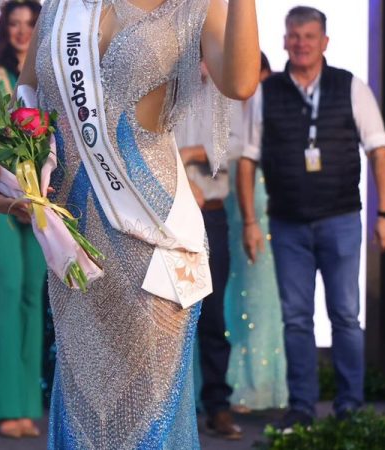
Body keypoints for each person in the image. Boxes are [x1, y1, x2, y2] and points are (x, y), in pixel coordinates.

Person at [0, 0, 261, 447]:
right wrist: (4, 188)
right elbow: (25, 106)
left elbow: (240, 82)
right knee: (84, 419)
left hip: (150, 239)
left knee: (145, 426)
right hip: (75, 248)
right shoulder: (60, 7)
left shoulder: (192, 6)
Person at [236, 6, 385, 429]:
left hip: (340, 220)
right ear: (284, 40)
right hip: (287, 223)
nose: (301, 43)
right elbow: (247, 162)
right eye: (294, 35)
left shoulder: (351, 86)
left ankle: (350, 407)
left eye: (309, 36)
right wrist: (250, 223)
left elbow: (379, 151)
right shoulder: (266, 93)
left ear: (324, 41)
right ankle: (302, 408)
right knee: (296, 319)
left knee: (345, 316)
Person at [0, 0, 46, 439]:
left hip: (39, 198)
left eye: (29, 24)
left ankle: (27, 406)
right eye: (14, 24)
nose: (21, 31)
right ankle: (5, 405)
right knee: (11, 288)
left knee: (34, 294)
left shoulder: (48, 75)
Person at [175, 61, 240, 440]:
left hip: (211, 214)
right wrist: (184, 169)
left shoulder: (227, 94)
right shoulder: (166, 88)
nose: (200, 62)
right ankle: (169, 411)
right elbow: (147, 144)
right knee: (170, 316)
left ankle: (217, 405)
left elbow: (234, 148)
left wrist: (189, 154)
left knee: (213, 316)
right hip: (170, 214)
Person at [226, 52, 288, 412]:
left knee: (266, 299)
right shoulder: (226, 103)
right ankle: (236, 384)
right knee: (239, 297)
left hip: (268, 206)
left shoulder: (275, 104)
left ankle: (263, 385)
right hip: (237, 207)